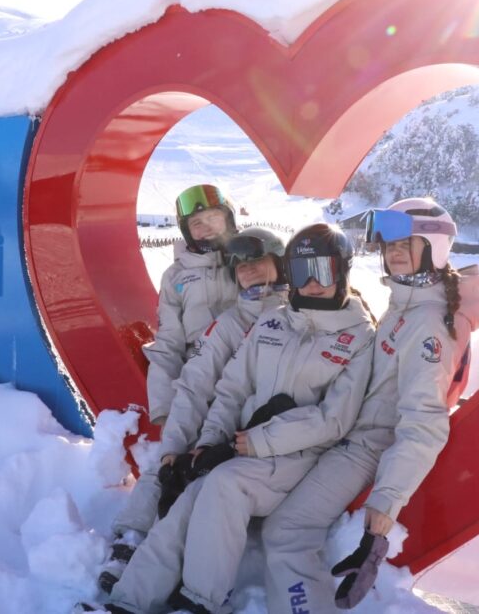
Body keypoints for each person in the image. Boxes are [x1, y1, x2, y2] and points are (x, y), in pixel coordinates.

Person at [100, 223, 378, 614]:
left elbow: (333, 419)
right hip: (245, 449)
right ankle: (128, 601)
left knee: (225, 484)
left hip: (300, 458)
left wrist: (252, 443)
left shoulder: (360, 338)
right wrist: (209, 442)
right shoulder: (273, 323)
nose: (313, 284)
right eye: (303, 272)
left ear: (343, 273)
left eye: (323, 272)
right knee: (191, 497)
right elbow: (231, 388)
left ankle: (200, 601)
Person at [260, 198, 479, 612]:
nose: (393, 251)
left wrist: (385, 504)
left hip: (365, 449)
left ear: (434, 247)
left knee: (286, 531)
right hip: (348, 434)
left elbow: (424, 421)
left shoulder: (428, 324)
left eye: (406, 242)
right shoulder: (408, 305)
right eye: (387, 245)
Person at [99, 227, 289, 593]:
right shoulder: (232, 322)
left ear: (279, 264)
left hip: (274, 437)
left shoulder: (299, 313)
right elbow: (195, 384)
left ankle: (174, 571)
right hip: (226, 427)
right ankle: (135, 537)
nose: (248, 270)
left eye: (258, 261)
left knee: (203, 490)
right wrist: (173, 447)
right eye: (240, 266)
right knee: (176, 465)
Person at [105, 184, 240, 566]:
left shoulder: (249, 259)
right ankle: (131, 537)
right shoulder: (176, 277)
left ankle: (185, 552)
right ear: (186, 231)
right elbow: (167, 345)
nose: (207, 228)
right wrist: (165, 405)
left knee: (209, 467)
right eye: (197, 224)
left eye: (214, 218)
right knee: (170, 455)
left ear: (229, 219)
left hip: (245, 380)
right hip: (196, 381)